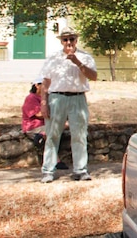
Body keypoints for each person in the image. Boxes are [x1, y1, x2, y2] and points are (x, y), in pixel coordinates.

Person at [38, 26, 98, 183]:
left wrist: (77, 62)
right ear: (61, 41)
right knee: (52, 135)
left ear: (76, 40)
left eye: (72, 39)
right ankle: (48, 170)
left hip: (77, 98)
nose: (69, 42)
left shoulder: (85, 57)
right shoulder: (53, 58)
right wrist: (44, 103)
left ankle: (80, 169)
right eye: (65, 39)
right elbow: (45, 82)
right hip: (57, 98)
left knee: (79, 135)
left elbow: (94, 76)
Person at [22, 76, 46, 146]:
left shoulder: (45, 97)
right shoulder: (31, 98)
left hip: (45, 124)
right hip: (34, 126)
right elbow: (39, 115)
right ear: (37, 85)